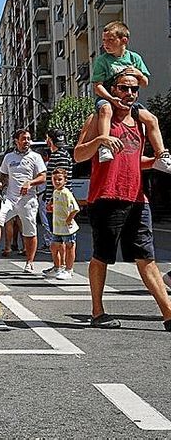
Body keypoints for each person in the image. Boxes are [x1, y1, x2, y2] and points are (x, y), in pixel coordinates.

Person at [73, 71, 171, 331]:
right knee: (101, 256)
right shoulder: (98, 118)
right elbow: (78, 155)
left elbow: (131, 158)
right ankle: (97, 312)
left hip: (138, 197)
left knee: (146, 257)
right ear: (113, 90)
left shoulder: (140, 123)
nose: (129, 94)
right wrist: (100, 140)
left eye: (134, 90)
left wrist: (156, 162)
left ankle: (168, 314)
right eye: (124, 88)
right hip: (107, 196)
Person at [90, 21, 171, 173]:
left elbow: (145, 82)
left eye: (110, 40)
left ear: (124, 40)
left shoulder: (134, 58)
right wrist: (111, 99)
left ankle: (161, 155)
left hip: (128, 101)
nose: (106, 44)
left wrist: (138, 73)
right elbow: (97, 85)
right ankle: (105, 145)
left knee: (151, 119)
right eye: (104, 40)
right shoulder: (102, 60)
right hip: (108, 98)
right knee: (106, 110)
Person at [0, 129, 46, 273]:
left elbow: (43, 177)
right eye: (24, 138)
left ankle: (29, 262)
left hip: (28, 200)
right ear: (16, 141)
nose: (27, 141)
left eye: (28, 138)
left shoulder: (35, 157)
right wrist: (0, 184)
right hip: (10, 199)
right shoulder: (9, 157)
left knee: (29, 232)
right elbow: (4, 176)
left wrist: (30, 183)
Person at [41, 129, 73, 278]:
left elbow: (60, 181)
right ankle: (58, 266)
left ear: (49, 140)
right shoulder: (62, 154)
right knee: (56, 238)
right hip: (54, 200)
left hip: (58, 202)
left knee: (62, 238)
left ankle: (65, 268)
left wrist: (52, 200)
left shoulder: (59, 156)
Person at [47, 168, 79, 281]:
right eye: (54, 179)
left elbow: (75, 209)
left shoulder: (66, 193)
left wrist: (69, 219)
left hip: (66, 227)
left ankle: (69, 269)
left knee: (69, 246)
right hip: (57, 227)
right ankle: (57, 267)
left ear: (65, 180)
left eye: (60, 179)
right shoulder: (56, 192)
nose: (57, 182)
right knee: (54, 246)